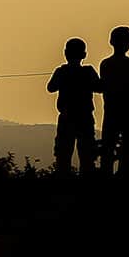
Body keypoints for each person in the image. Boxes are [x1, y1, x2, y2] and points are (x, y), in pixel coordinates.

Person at [45, 37, 100, 173]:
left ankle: (63, 186)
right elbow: (100, 87)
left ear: (65, 53)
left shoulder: (61, 71)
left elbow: (50, 87)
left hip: (67, 117)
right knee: (87, 155)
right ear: (84, 55)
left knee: (63, 155)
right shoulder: (88, 72)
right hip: (84, 117)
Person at [98, 25, 129, 181]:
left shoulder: (105, 64)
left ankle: (108, 179)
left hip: (112, 112)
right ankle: (126, 179)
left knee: (108, 149)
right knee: (128, 150)